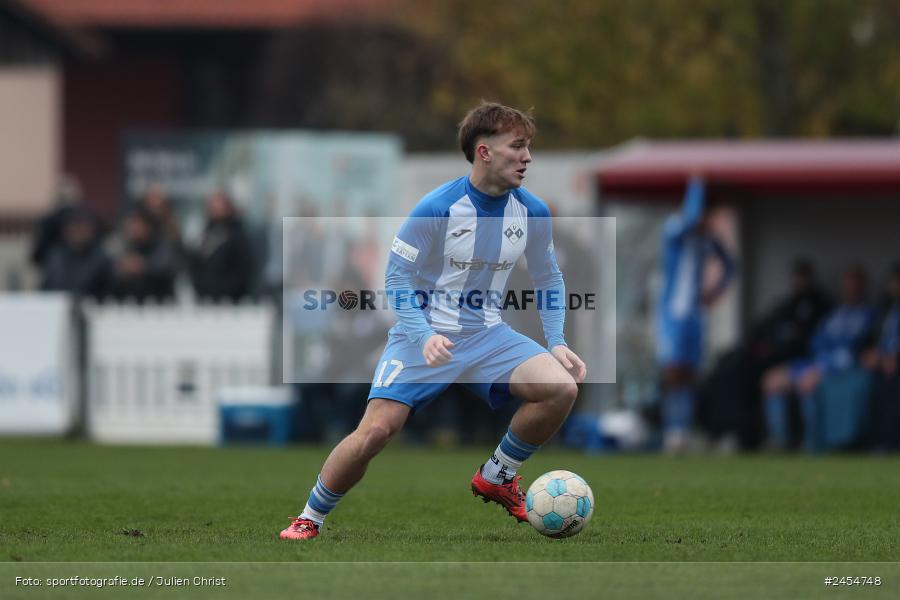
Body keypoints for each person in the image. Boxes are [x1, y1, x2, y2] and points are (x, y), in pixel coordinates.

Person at [280, 102, 586, 540]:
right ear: (484, 152)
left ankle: (498, 475)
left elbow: (548, 276)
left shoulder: (532, 211)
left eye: (528, 147)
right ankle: (310, 516)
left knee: (561, 389)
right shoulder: (438, 207)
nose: (527, 157)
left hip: (488, 336)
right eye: (517, 146)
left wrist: (556, 341)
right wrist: (423, 335)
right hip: (419, 337)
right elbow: (396, 277)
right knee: (376, 433)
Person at [655, 176, 735, 453]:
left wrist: (715, 291)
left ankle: (685, 430)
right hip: (672, 312)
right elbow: (689, 220)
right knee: (673, 370)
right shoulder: (676, 227)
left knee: (690, 371)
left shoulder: (706, 239)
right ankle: (672, 431)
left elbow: (729, 263)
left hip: (695, 315)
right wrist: (697, 183)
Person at [762, 265, 876, 449]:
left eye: (854, 286)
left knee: (809, 383)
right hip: (816, 362)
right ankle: (779, 441)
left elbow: (853, 352)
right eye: (847, 285)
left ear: (862, 288)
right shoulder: (834, 314)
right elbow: (816, 343)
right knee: (772, 380)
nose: (850, 290)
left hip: (838, 368)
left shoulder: (868, 315)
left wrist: (821, 369)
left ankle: (812, 443)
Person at [190, 191, 254, 302]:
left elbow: (242, 270)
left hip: (230, 299)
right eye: (213, 207)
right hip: (205, 297)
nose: (216, 210)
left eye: (219, 207)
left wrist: (224, 288)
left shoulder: (237, 234)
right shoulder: (204, 234)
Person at [864, 264, 900, 451]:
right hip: (882, 365)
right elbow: (870, 338)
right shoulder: (885, 310)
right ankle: (879, 443)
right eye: (894, 282)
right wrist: (871, 353)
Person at [108, 208, 177, 302]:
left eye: (138, 225)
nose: (134, 229)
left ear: (148, 226)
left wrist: (142, 265)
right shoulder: (128, 245)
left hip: (161, 303)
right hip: (131, 303)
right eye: (132, 225)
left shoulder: (163, 243)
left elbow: (165, 267)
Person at [41, 208, 111, 300]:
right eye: (73, 226)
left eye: (82, 227)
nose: (77, 231)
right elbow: (46, 288)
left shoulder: (102, 259)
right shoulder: (55, 256)